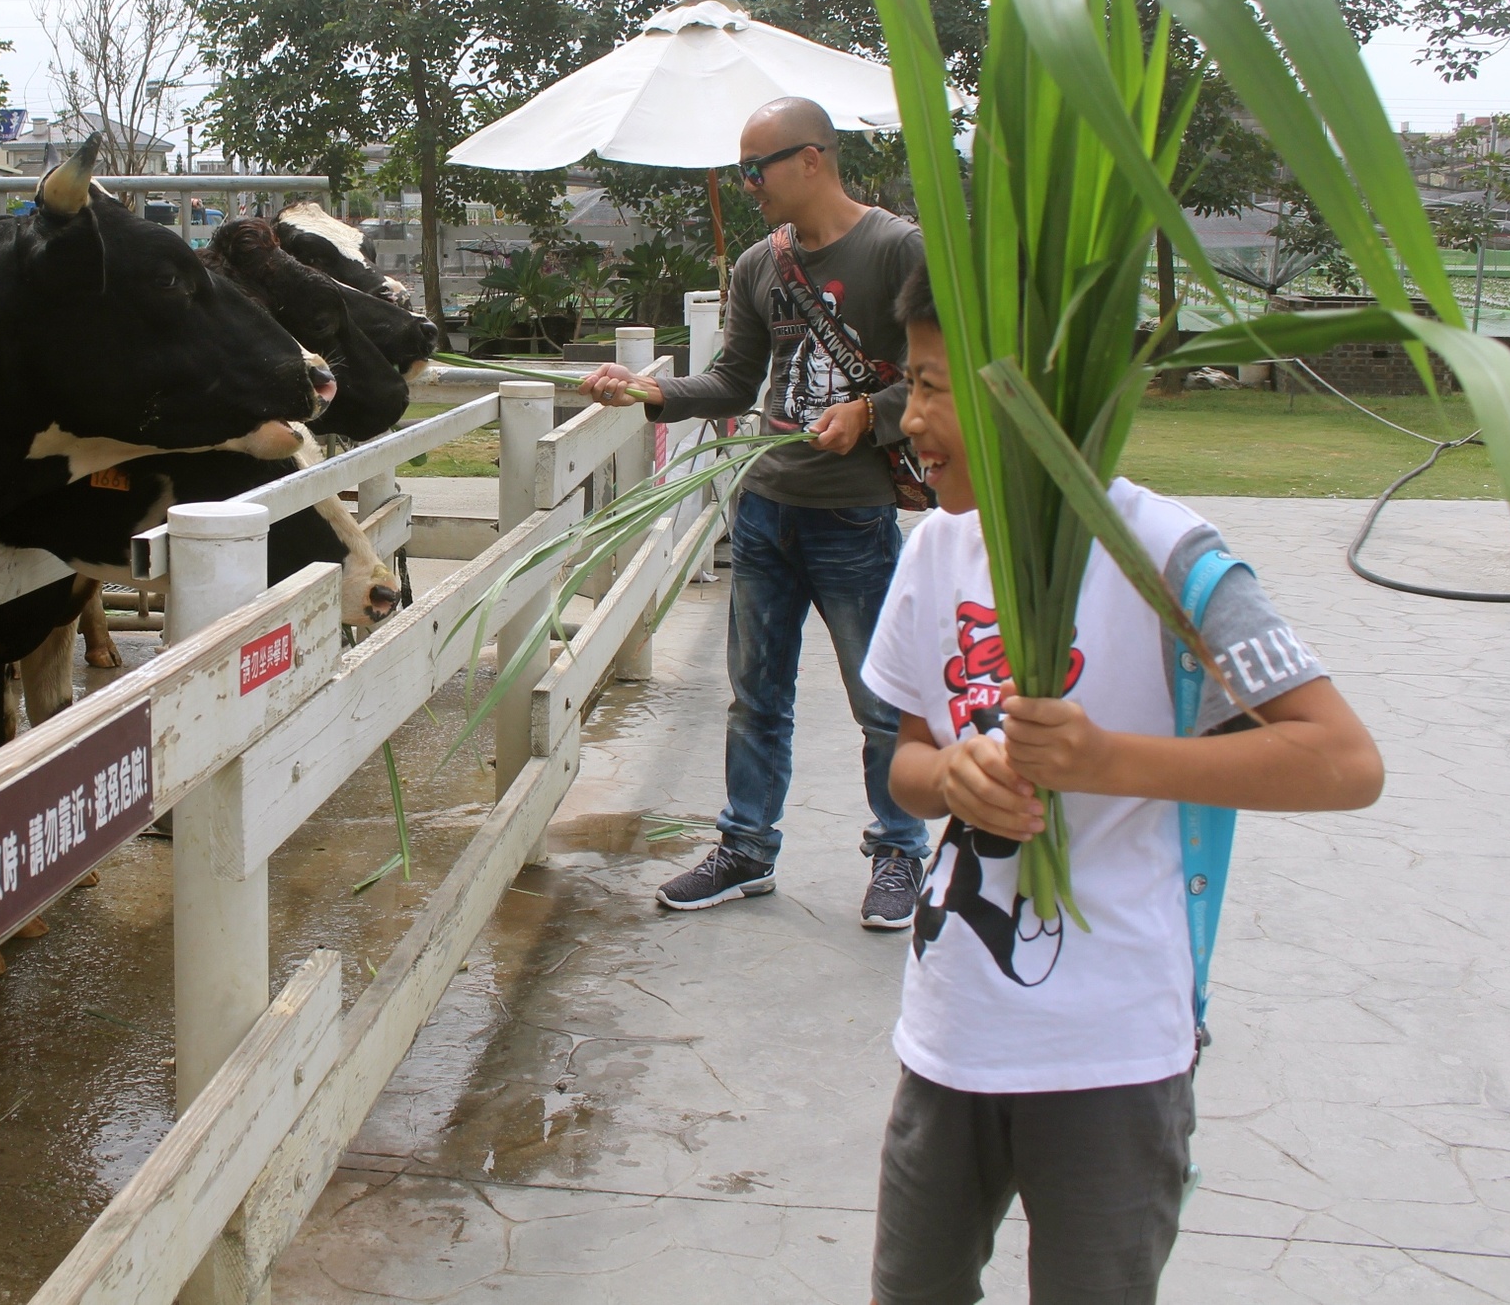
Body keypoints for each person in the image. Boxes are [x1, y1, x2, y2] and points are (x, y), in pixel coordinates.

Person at [861, 263, 1384, 1304]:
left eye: (929, 386)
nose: (906, 417)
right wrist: (949, 778)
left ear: (1029, 393)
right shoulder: (935, 553)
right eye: (906, 385)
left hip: (1107, 1056)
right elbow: (903, 765)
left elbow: (1341, 761)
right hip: (950, 1034)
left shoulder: (1169, 557)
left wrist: (1111, 763)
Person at [578, 95, 932, 926]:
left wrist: (869, 415)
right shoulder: (757, 265)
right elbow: (737, 382)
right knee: (755, 693)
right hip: (767, 508)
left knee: (878, 695)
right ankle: (746, 845)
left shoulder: (896, 247)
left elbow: (936, 371)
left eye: (756, 167)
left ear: (812, 159)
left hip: (853, 515)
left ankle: (899, 851)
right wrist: (653, 391)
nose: (748, 185)